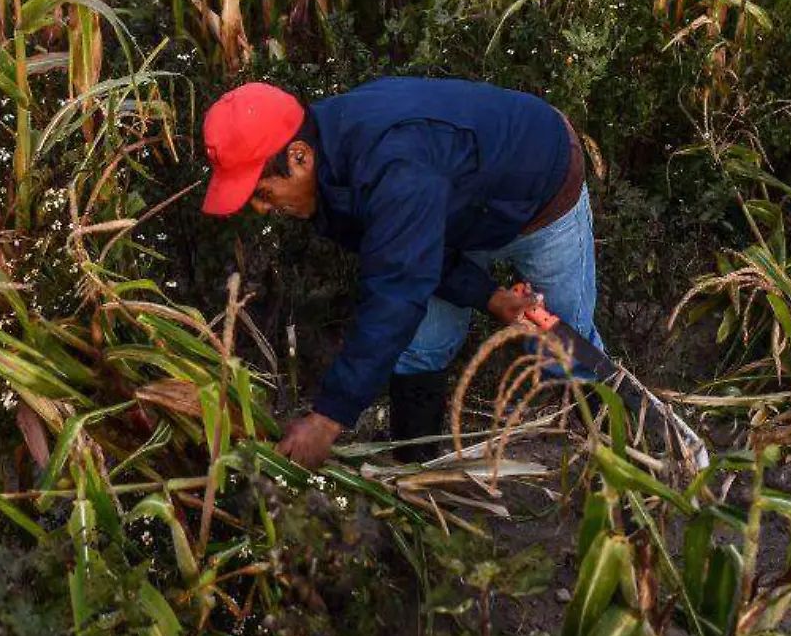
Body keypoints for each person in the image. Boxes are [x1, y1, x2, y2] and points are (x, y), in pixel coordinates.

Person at [200, 77, 604, 470]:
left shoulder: (391, 167)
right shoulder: (332, 176)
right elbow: (412, 252)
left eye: (263, 192)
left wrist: (327, 420)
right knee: (421, 345)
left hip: (541, 188)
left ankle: (627, 459)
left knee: (562, 349)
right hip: (454, 207)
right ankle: (418, 480)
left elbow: (398, 291)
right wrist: (492, 297)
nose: (260, 208)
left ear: (299, 156)